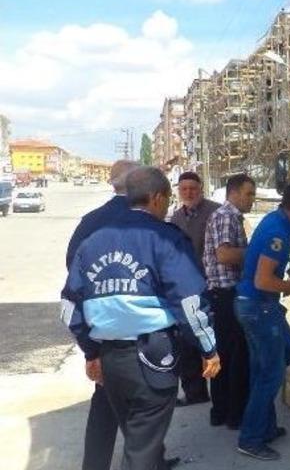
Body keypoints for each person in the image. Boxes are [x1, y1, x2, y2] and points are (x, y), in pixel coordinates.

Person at [62, 166, 221, 470]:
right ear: (157, 198)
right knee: (141, 450)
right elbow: (190, 302)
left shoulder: (93, 240)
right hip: (153, 355)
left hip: (110, 359)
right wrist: (208, 348)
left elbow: (70, 307)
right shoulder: (164, 237)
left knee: (138, 443)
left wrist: (91, 352)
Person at [234, 181, 290, 461]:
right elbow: (263, 279)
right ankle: (250, 438)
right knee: (270, 375)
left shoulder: (281, 220)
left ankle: (265, 426)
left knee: (284, 354)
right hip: (258, 307)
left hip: (260, 306)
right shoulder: (277, 233)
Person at [63, 159, 140, 470]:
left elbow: (73, 268)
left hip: (103, 325)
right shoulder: (145, 219)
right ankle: (149, 460)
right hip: (141, 326)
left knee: (107, 397)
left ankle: (95, 465)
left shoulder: (91, 220)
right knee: (145, 403)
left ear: (112, 183)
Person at [203, 173, 256, 429]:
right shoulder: (226, 216)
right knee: (236, 356)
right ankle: (234, 415)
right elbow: (224, 255)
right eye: (249, 194)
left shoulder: (229, 217)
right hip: (226, 295)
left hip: (223, 295)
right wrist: (255, 253)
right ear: (233, 193)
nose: (252, 199)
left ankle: (221, 411)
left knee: (224, 354)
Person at [169, 171, 221, 406]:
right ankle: (195, 392)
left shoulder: (215, 212)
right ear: (179, 191)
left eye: (193, 188)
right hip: (185, 289)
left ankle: (221, 391)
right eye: (184, 189)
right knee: (186, 341)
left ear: (201, 189)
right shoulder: (176, 218)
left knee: (214, 338)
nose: (189, 192)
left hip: (212, 285)